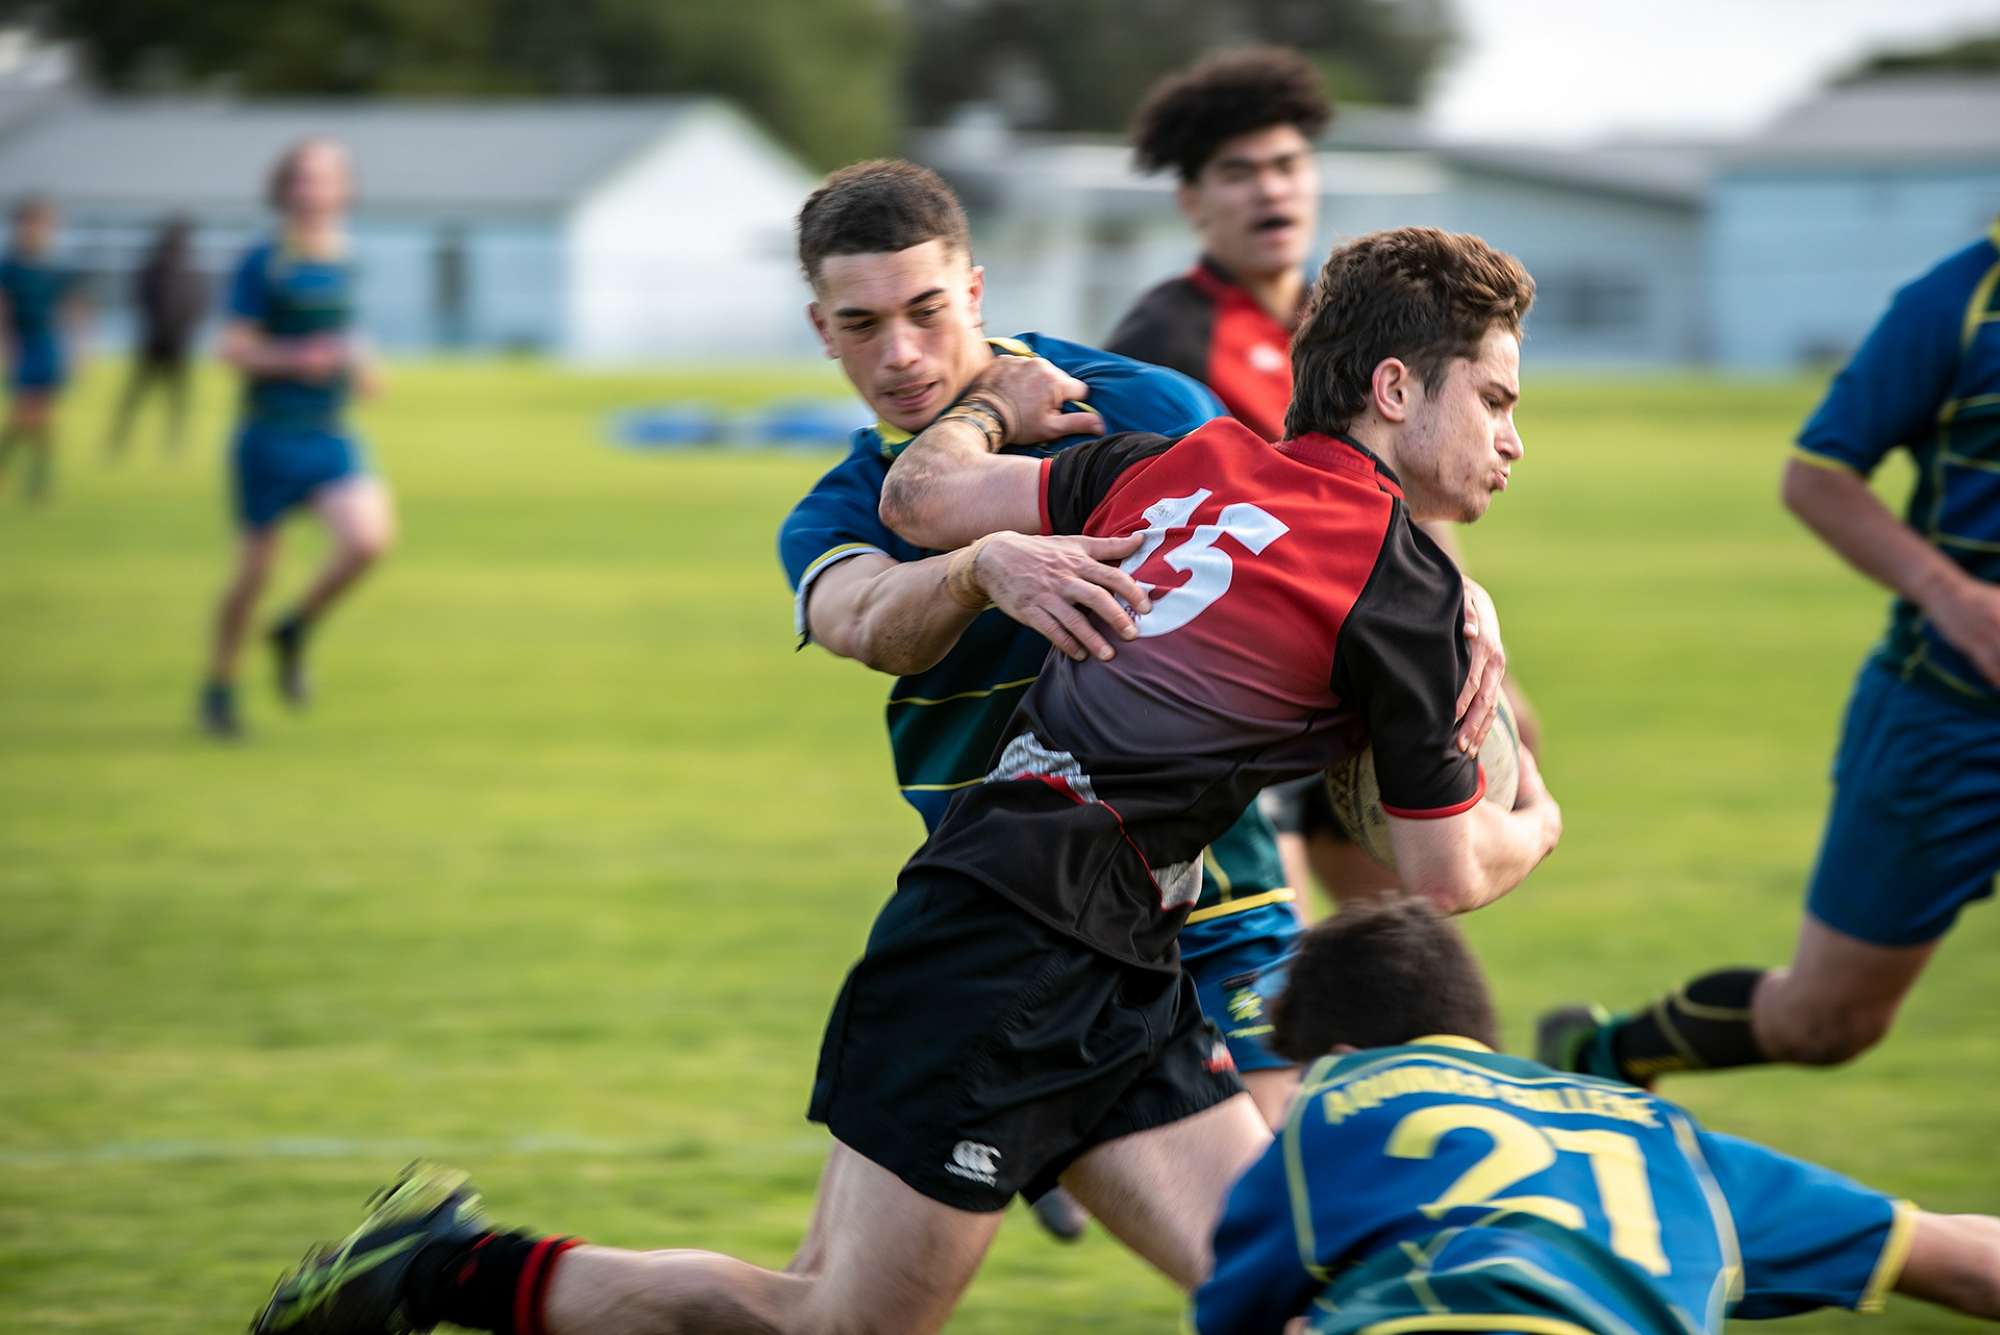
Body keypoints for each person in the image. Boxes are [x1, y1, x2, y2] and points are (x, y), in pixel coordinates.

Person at [249, 225, 1559, 1335]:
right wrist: (1538, 814)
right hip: (1008, 940)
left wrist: (986, 414)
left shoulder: (1192, 460)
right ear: (1395, 386)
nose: (1511, 438)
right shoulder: (1400, 587)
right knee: (828, 1320)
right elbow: (1441, 874)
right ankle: (437, 1270)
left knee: (1288, 1300)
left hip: (1106, 946)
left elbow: (928, 496)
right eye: (1496, 400)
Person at [1538, 215, 2000, 1088]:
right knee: (1827, 1021)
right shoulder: (1959, 301)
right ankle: (1606, 1055)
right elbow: (1817, 474)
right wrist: (1954, 596)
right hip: (1951, 714)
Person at [1106, 48, 1539, 909]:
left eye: (1287, 165)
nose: (1270, 190)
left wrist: (1466, 632)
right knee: (1281, 945)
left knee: (1402, 936)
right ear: (1192, 202)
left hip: (1364, 659)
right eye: (1239, 173)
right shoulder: (1166, 344)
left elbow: (1408, 499)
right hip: (1240, 694)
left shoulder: (1348, 316)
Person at [1195, 898, 2000, 1334]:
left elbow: (1232, 1312)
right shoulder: (1664, 1137)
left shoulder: (1342, 1096)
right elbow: (1965, 1262)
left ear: (1339, 1055)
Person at [198, 138, 392, 739]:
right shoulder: (264, 262)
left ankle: (294, 628)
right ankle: (220, 689)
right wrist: (294, 358)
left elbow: (346, 331)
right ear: (283, 189)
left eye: (326, 178)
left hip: (328, 435)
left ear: (344, 190)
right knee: (254, 575)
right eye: (303, 178)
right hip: (270, 437)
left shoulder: (345, 258)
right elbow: (232, 349)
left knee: (369, 540)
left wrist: (363, 365)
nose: (313, 190)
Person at [0, 196, 88, 502]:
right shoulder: (9, 268)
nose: (39, 232)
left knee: (44, 416)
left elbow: (71, 309)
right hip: (22, 344)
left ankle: (38, 483)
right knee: (25, 413)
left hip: (46, 344)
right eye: (33, 225)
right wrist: (6, 345)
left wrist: (77, 349)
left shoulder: (54, 268)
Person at [107, 215, 206, 457]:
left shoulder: (188, 270)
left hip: (177, 343)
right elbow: (142, 301)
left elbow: (197, 304)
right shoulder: (156, 269)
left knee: (176, 399)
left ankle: (173, 442)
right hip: (155, 342)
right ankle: (120, 438)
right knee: (137, 396)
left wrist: (184, 329)